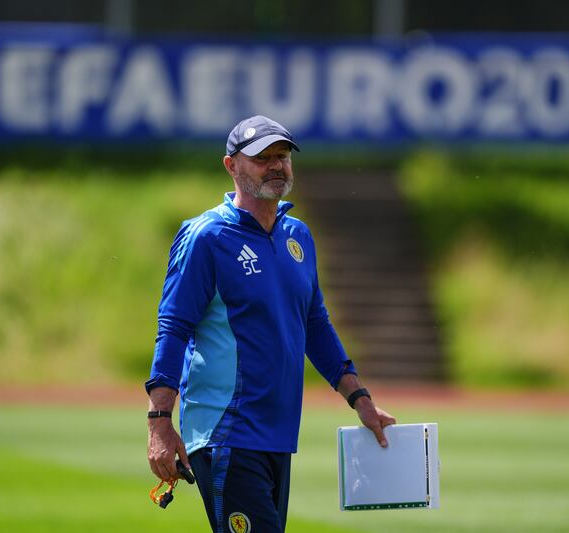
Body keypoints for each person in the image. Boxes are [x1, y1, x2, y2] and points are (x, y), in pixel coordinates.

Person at [145, 115, 395, 533]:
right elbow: (173, 328)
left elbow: (315, 324)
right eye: (263, 157)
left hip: (278, 437)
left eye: (282, 156)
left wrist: (360, 400)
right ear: (231, 166)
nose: (276, 165)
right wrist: (159, 424)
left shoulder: (297, 235)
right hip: (227, 433)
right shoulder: (207, 236)